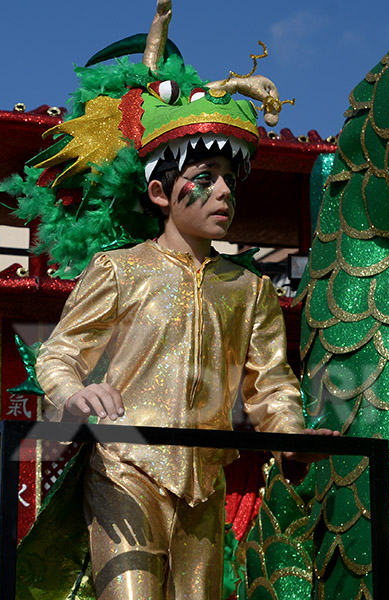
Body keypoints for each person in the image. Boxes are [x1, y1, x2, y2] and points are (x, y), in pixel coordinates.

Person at [34, 134, 339, 599]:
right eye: (204, 179)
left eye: (230, 182)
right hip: (125, 471)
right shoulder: (120, 270)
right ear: (160, 193)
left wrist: (291, 439)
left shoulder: (250, 290)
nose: (223, 193)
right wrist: (73, 393)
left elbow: (273, 385)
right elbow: (60, 353)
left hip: (205, 485)